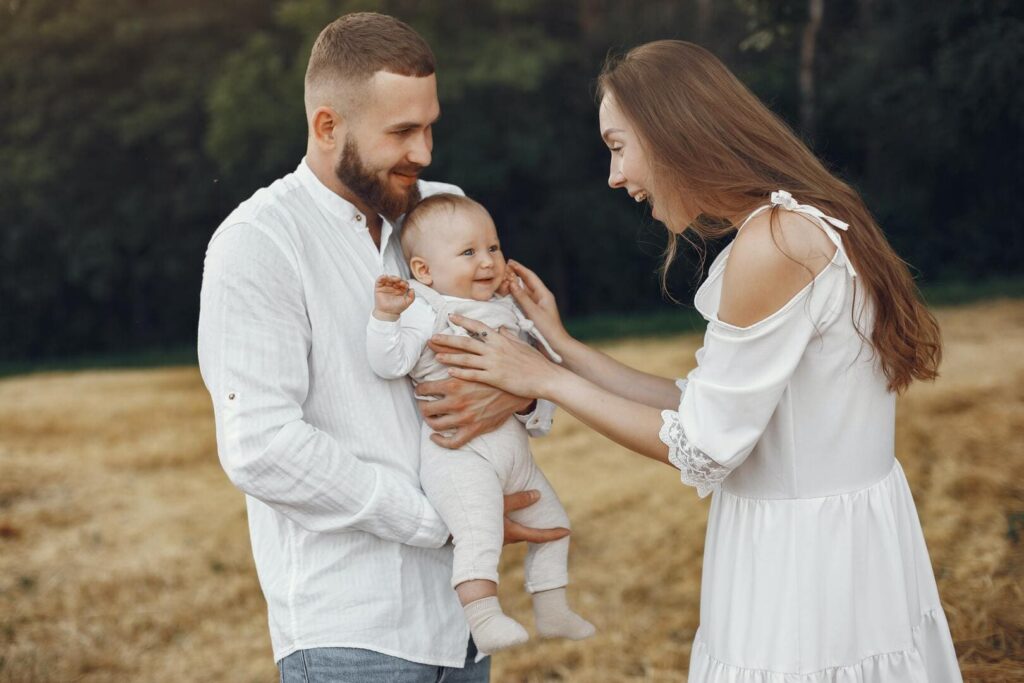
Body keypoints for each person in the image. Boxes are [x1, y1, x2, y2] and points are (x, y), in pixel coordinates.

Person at [432, 40, 963, 681]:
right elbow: (704, 403)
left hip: (803, 567)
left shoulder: (774, 244)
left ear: (673, 134)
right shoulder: (804, 221)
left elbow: (705, 446)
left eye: (618, 146)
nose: (614, 176)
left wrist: (542, 378)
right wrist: (564, 349)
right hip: (842, 544)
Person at [196, 12, 566, 682]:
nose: (424, 152)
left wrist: (520, 394)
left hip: (462, 632)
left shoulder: (444, 212)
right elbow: (261, 445)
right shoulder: (258, 242)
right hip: (353, 634)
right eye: (401, 132)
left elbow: (519, 354)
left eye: (430, 127)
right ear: (327, 126)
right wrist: (441, 519)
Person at [366, 193, 596, 655]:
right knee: (479, 533)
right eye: (469, 252)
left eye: (493, 247)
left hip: (514, 455)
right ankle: (484, 618)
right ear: (424, 270)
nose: (488, 261)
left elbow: (544, 369)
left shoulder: (506, 308)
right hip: (458, 454)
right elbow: (389, 363)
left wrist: (528, 311)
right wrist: (385, 316)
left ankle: (552, 607)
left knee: (555, 523)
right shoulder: (425, 308)